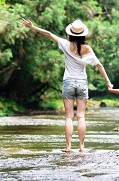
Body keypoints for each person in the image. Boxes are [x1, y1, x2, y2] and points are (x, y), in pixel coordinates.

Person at [20, 18, 113, 153]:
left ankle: (68, 147)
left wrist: (33, 27)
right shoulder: (88, 49)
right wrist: (108, 82)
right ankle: (81, 147)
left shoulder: (65, 44)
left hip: (68, 82)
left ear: (70, 33)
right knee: (81, 116)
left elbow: (48, 34)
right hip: (82, 83)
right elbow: (99, 65)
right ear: (83, 34)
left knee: (69, 116)